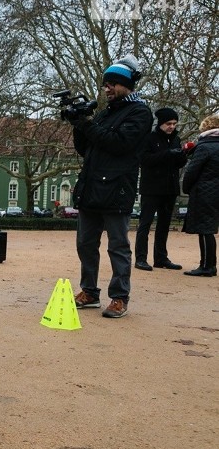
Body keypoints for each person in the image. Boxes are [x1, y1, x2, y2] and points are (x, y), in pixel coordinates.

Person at [69, 55, 152, 318]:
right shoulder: (105, 113)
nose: (106, 89)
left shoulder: (140, 112)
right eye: (106, 84)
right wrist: (78, 125)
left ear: (125, 85)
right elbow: (86, 148)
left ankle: (119, 297)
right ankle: (90, 291)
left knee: (118, 246)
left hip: (117, 188)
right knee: (85, 243)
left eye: (112, 84)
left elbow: (118, 144)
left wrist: (87, 124)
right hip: (92, 187)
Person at [134, 107, 187, 271]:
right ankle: (141, 258)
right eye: (168, 124)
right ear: (161, 123)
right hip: (151, 188)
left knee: (164, 225)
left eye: (174, 123)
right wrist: (168, 154)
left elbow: (178, 164)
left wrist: (183, 155)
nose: (171, 127)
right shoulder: (149, 139)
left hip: (170, 188)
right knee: (145, 224)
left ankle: (161, 258)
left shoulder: (176, 139)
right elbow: (144, 160)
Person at [181, 114, 219, 277]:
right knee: (208, 228)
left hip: (204, 190)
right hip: (215, 190)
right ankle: (209, 265)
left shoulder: (205, 146)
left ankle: (207, 266)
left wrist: (187, 187)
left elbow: (192, 171)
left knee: (205, 229)